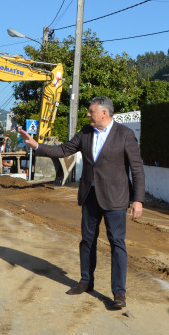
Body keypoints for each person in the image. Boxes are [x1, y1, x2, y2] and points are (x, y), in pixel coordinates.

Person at [18, 96, 145, 310]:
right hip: (90, 196)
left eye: (91, 111)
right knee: (87, 240)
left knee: (117, 244)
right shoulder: (85, 132)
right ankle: (86, 281)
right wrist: (36, 145)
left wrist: (138, 200)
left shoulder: (125, 135)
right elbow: (63, 150)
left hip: (115, 198)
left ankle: (119, 293)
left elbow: (137, 169)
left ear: (104, 113)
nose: (88, 114)